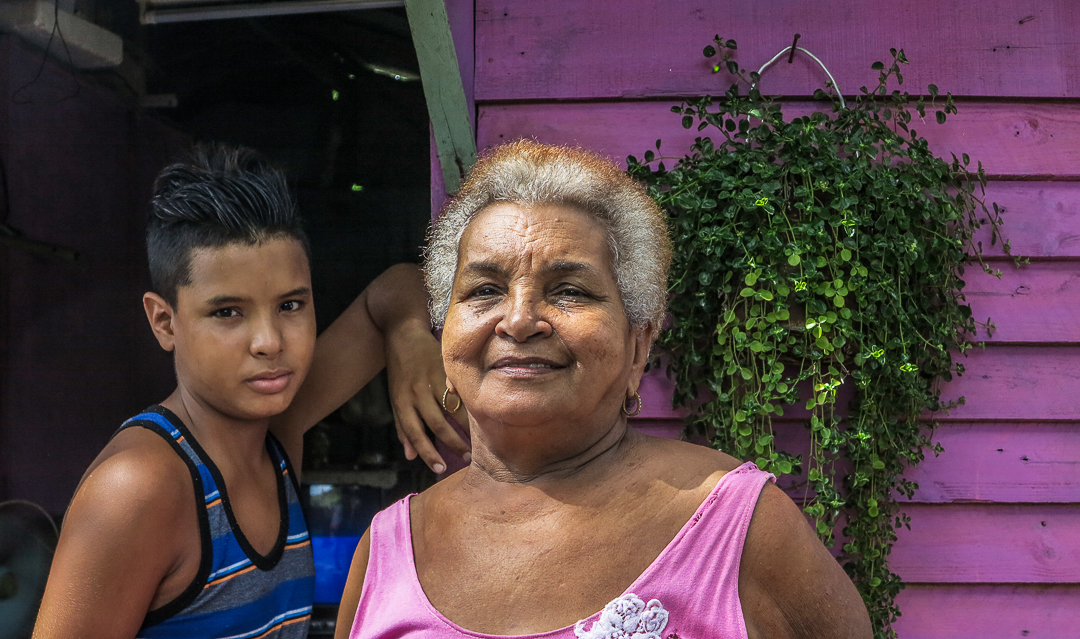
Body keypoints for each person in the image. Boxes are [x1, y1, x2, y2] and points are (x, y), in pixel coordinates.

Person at [337, 140, 873, 639]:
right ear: (445, 333)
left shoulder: (738, 525)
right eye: (484, 290)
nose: (519, 320)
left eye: (569, 290)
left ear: (638, 344)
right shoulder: (387, 548)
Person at [32, 144, 469, 639]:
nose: (269, 343)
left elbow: (396, 286)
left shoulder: (275, 432)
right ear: (164, 321)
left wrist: (410, 335)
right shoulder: (139, 486)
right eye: (227, 313)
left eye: (290, 305)